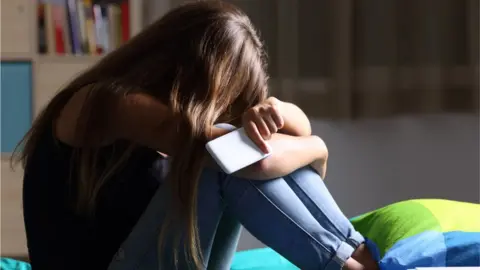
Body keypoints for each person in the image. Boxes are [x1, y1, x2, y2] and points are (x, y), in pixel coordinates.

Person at [15, 1, 378, 270]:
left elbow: (291, 131)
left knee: (234, 149)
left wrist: (276, 110)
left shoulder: (178, 120)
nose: (224, 112)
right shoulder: (109, 102)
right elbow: (248, 159)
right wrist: (316, 148)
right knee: (224, 158)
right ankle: (348, 263)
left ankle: (356, 252)